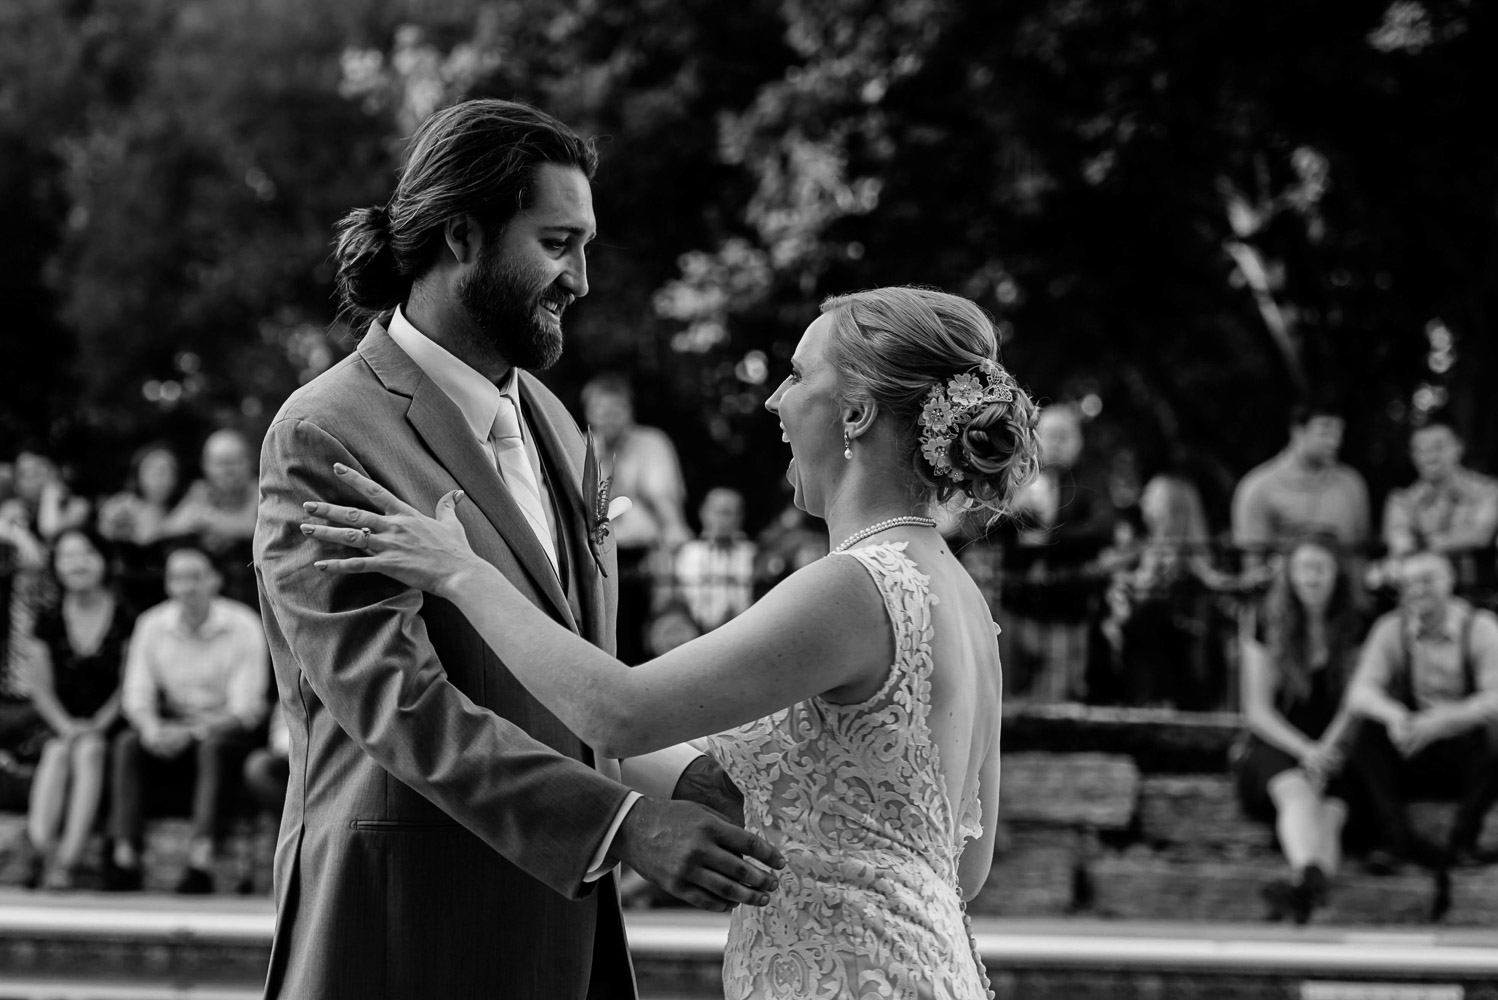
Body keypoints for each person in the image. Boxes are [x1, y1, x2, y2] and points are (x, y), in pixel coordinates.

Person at [307, 285, 1040, 998]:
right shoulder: (961, 597)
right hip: (931, 964)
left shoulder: (854, 586)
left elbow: (620, 713)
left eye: (794, 375)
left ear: (855, 412)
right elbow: (962, 866)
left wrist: (460, 571)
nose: (775, 401)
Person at [252, 98, 777, 999]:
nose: (581, 277)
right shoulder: (326, 431)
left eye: (585, 247)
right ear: (461, 236)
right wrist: (623, 827)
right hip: (405, 927)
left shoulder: (560, 427)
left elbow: (571, 679)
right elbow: (398, 703)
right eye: (557, 242)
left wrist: (695, 781)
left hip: (559, 934)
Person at [109, 544, 268, 894]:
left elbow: (247, 708)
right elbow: (136, 694)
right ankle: (124, 859)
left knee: (213, 746)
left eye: (195, 577)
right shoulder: (151, 623)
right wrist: (152, 729)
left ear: (215, 580)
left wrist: (192, 732)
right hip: (170, 726)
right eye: (177, 578)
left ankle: (201, 860)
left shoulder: (243, 624)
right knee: (128, 743)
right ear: (167, 584)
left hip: (226, 732)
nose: (187, 587)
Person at [1233, 534, 1367, 923]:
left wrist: (1326, 749)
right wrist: (1307, 751)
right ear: (1289, 574)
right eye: (1304, 568)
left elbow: (1356, 701)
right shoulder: (1264, 622)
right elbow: (1256, 710)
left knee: (1333, 811)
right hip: (1278, 740)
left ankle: (1304, 885)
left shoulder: (1357, 624)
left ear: (1337, 575)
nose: (1312, 577)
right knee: (1297, 791)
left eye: (1320, 568)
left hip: (1337, 742)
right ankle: (1312, 878)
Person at [1345, 550, 1498, 870]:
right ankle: (1393, 839)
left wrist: (1441, 721)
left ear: (1449, 581)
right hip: (1412, 746)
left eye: (1427, 580)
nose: (1417, 590)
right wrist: (1395, 716)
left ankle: (1464, 840)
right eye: (1408, 583)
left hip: (1466, 754)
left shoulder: (1480, 627)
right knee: (1366, 737)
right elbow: (1360, 692)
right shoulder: (1390, 628)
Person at [24, 529, 134, 890]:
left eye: (86, 553)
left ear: (103, 560)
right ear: (55, 567)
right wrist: (66, 726)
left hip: (110, 723)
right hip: (56, 723)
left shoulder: (127, 616)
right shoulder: (47, 618)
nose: (77, 563)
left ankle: (66, 861)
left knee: (89, 751)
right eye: (67, 556)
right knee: (57, 752)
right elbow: (39, 688)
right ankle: (43, 850)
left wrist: (97, 725)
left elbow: (127, 684)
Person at [998, 403, 1116, 702]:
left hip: (1066, 607)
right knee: (1008, 692)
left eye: (1064, 436)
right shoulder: (1018, 475)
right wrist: (1015, 514)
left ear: (1078, 441)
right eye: (1049, 435)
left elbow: (1103, 529)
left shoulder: (1089, 479)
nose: (1056, 444)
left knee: (1057, 696)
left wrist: (1052, 538)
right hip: (1017, 603)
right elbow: (988, 528)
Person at [582, 373, 692, 663]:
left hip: (647, 558)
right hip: (597, 558)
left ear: (629, 410)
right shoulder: (580, 446)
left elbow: (664, 498)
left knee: (653, 641)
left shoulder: (652, 443)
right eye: (602, 411)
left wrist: (676, 532)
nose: (610, 418)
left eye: (616, 410)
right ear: (589, 412)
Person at [1107, 474, 1234, 707]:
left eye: (1151, 496)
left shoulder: (1192, 559)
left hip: (1176, 678)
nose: (1143, 501)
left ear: (1171, 507)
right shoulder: (1142, 550)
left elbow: (1218, 585)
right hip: (1139, 678)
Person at [1231, 401, 1370, 572]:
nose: (1334, 441)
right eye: (1325, 432)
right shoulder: (1258, 488)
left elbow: (1359, 555)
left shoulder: (1352, 485)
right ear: (1298, 431)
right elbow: (1252, 568)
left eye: (1339, 432)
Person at [1380, 417, 1498, 599]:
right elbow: (1401, 546)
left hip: (1476, 595)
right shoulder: (1401, 500)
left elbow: (1480, 535)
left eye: (1438, 447)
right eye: (1420, 450)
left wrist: (1425, 544)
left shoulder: (1487, 490)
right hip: (1420, 596)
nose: (1429, 457)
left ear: (1459, 447)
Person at [162, 429, 259, 604]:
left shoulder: (261, 491)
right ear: (206, 465)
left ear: (248, 462)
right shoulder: (198, 491)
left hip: (253, 591)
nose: (228, 471)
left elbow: (264, 530)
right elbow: (168, 529)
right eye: (221, 463)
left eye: (234, 462)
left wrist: (212, 522)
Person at [98, 443, 181, 611]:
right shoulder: (121, 506)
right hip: (129, 592)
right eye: (152, 470)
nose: (159, 478)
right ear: (138, 474)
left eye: (166, 471)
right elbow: (143, 538)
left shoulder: (185, 504)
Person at [673, 487, 757, 631]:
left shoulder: (753, 553)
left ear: (740, 517)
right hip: (693, 632)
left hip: (747, 631)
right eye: (716, 512)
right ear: (702, 513)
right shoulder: (686, 553)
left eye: (727, 513)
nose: (721, 519)